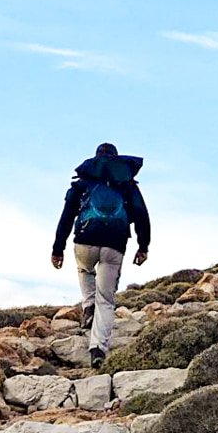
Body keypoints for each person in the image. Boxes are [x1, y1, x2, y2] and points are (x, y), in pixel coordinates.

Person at [50, 142, 151, 367]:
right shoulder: (127, 185)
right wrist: (143, 246)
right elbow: (142, 215)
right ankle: (97, 349)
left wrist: (58, 249)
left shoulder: (82, 183)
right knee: (106, 299)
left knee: (84, 269)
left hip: (85, 239)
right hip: (115, 243)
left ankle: (88, 306)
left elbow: (66, 217)